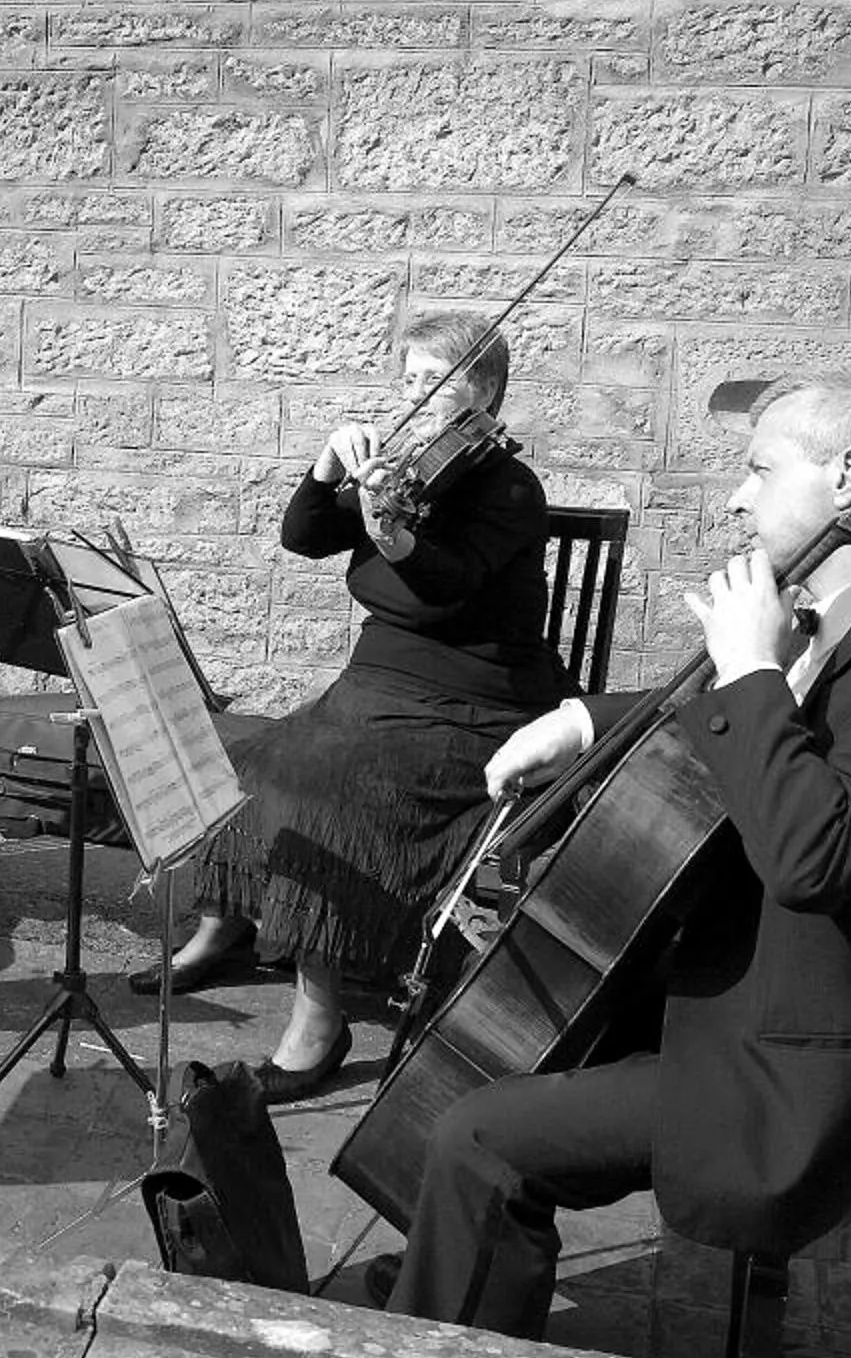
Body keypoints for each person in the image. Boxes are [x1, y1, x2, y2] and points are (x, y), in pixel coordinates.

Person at [377, 366, 851, 1338]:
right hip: (768, 995)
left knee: (480, 1137)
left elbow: (815, 855)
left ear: (849, 477)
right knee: (510, 1030)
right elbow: (747, 729)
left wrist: (752, 665)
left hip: (825, 1077)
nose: (736, 498)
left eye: (761, 470)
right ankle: (452, 1263)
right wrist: (580, 722)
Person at [139, 312, 573, 1101]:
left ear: (484, 392)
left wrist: (392, 532)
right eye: (408, 378)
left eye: (435, 380)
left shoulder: (508, 487)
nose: (415, 395)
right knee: (242, 760)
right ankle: (224, 923)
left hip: (469, 707)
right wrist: (326, 468)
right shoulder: (402, 467)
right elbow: (302, 536)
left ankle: (320, 1020)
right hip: (372, 690)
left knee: (325, 799)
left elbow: (444, 590)